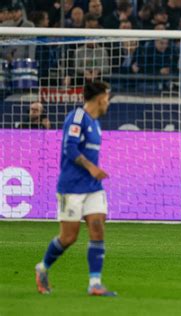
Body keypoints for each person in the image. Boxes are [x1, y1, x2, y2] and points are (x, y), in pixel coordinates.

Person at [35, 81, 116, 297]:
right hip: (71, 187)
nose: (108, 102)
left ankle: (95, 284)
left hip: (93, 187)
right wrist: (91, 168)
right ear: (100, 98)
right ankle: (42, 268)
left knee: (97, 229)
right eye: (107, 97)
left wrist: (94, 173)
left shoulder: (96, 123)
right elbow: (69, 148)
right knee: (69, 238)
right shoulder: (77, 117)